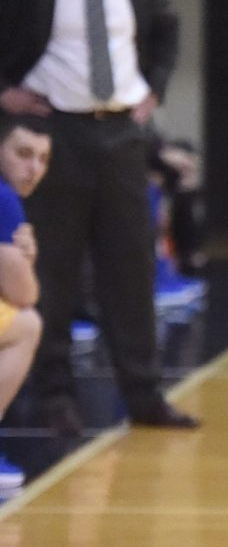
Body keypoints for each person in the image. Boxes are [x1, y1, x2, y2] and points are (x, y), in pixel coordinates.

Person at [0, 0, 198, 431]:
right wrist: (4, 90)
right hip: (51, 129)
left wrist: (154, 87)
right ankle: (54, 395)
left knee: (132, 263)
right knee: (53, 265)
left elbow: (165, 28)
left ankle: (144, 393)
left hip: (121, 132)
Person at [0, 115, 52, 492]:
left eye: (44, 159)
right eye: (22, 154)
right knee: (26, 323)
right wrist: (26, 263)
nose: (33, 168)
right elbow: (24, 294)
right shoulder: (4, 198)